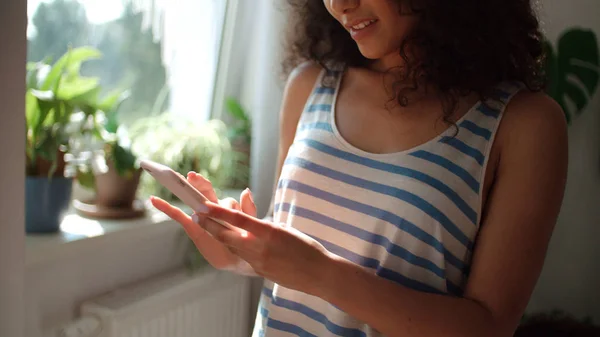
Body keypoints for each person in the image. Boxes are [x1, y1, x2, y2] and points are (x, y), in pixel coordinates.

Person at [151, 0, 569, 336]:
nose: (339, 5)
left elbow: (490, 325)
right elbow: (291, 260)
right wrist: (238, 252)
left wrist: (323, 274)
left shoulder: (524, 125)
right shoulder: (310, 85)